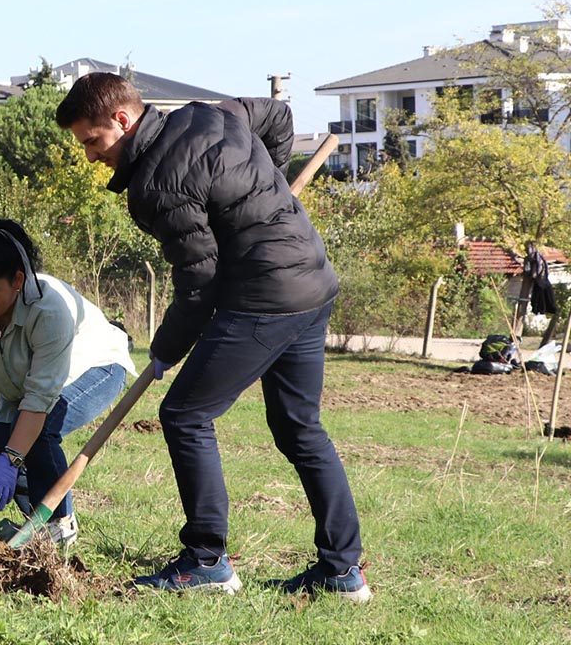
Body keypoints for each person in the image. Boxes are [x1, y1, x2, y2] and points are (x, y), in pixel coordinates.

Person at [56, 72, 370, 602]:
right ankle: (343, 572)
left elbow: (199, 286)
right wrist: (266, 185)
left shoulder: (155, 185)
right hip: (313, 281)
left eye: (92, 141)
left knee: (184, 415)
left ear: (122, 119)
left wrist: (163, 351)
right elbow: (277, 117)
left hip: (266, 296)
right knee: (300, 429)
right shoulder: (209, 113)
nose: (91, 156)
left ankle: (207, 561)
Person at [0, 218, 135, 545]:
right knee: (0, 446)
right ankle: (35, 526)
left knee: (36, 438)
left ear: (18, 281)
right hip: (29, 383)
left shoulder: (48, 310)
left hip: (97, 366)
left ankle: (58, 526)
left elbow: (40, 399)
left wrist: (13, 459)